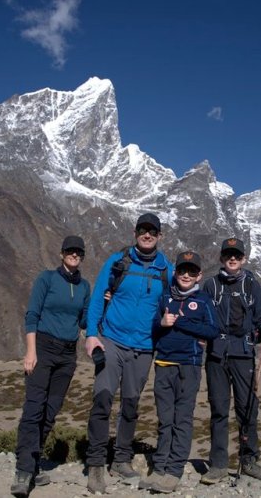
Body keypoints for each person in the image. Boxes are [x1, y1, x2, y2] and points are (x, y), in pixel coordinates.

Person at [83, 213, 174, 494]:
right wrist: (90, 335)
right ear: (135, 232)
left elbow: (173, 304)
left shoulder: (166, 269)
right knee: (102, 398)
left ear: (160, 236)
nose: (147, 235)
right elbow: (99, 296)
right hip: (111, 341)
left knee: (131, 406)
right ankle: (96, 463)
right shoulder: (118, 261)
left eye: (153, 231)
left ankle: (121, 459)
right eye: (143, 230)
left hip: (145, 347)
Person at [11, 236, 91, 497]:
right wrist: (30, 350)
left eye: (78, 252)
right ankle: (23, 471)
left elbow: (84, 320)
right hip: (43, 348)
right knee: (34, 408)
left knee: (50, 411)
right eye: (70, 251)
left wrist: (108, 300)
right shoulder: (46, 279)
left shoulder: (84, 286)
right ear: (61, 254)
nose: (74, 255)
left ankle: (33, 463)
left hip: (68, 355)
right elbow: (32, 313)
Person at [139, 251, 219, 494]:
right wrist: (161, 324)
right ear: (175, 273)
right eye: (182, 270)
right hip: (163, 364)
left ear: (199, 276)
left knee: (182, 419)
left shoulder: (204, 301)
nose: (186, 275)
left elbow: (213, 330)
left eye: (192, 271)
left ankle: (174, 471)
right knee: (165, 419)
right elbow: (153, 326)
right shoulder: (165, 298)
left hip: (190, 366)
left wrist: (182, 323)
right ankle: (159, 467)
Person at [200, 238, 261, 484]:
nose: (232, 259)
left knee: (247, 410)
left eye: (236, 255)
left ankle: (249, 461)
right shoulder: (210, 285)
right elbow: (202, 316)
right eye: (228, 255)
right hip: (216, 355)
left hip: (244, 354)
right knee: (219, 410)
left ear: (243, 258)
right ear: (222, 258)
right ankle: (219, 465)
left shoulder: (251, 284)